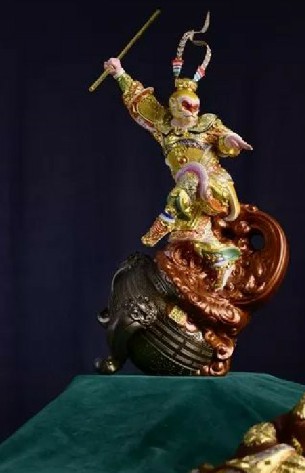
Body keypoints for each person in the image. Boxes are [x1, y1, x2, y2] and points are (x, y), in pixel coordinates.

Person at [103, 13, 253, 289]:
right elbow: (142, 104)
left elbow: (223, 138)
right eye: (187, 107)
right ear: (174, 105)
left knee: (192, 176)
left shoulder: (207, 124)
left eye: (195, 108)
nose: (192, 113)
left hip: (214, 185)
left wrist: (231, 141)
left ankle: (165, 220)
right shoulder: (164, 127)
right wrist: (119, 73)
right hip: (190, 199)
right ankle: (224, 260)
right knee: (187, 237)